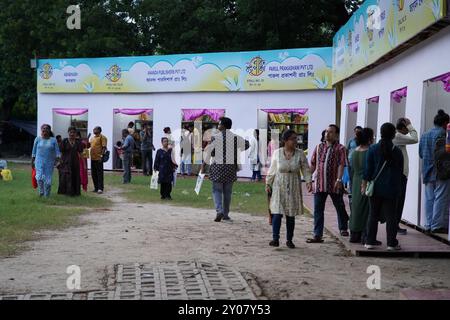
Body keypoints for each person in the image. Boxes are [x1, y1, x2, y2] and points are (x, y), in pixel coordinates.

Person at [266, 130, 312, 248]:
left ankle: (289, 240)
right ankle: (275, 238)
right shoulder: (277, 153)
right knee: (277, 213)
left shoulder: (300, 153)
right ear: (285, 140)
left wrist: (308, 181)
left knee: (290, 214)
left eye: (296, 139)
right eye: (293, 139)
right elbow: (272, 169)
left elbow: (306, 169)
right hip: (279, 186)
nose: (295, 141)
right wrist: (268, 183)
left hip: (293, 186)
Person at [363, 123, 404, 250]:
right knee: (391, 216)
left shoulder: (372, 149)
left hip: (375, 188)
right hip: (391, 189)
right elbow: (400, 172)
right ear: (393, 135)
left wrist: (364, 185)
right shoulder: (397, 151)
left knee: (373, 214)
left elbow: (368, 171)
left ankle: (369, 241)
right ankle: (391, 243)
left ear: (380, 133)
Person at [201, 117, 249, 222]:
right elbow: (247, 144)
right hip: (230, 168)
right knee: (227, 192)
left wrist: (203, 165)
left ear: (223, 125)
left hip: (217, 167)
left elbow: (209, 152)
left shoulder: (215, 138)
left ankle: (219, 210)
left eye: (219, 124)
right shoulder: (236, 137)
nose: (218, 125)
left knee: (216, 190)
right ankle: (226, 214)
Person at [308, 124, 349, 243]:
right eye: (326, 132)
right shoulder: (319, 147)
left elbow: (342, 164)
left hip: (334, 183)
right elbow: (313, 164)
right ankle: (317, 234)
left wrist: (339, 180)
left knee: (340, 206)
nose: (327, 134)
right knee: (318, 209)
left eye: (331, 132)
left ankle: (343, 228)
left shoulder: (341, 148)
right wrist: (309, 178)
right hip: (320, 183)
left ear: (336, 135)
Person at [419, 109, 450, 234]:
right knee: (440, 198)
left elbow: (421, 153)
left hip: (427, 171)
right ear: (445, 123)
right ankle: (436, 225)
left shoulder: (425, 134)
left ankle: (428, 224)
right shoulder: (444, 134)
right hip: (441, 171)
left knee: (429, 198)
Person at [393, 117, 418, 235]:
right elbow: (415, 139)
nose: (408, 131)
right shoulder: (397, 136)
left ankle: (395, 224)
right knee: (398, 201)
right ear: (402, 128)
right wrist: (410, 126)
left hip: (401, 174)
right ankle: (394, 225)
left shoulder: (398, 137)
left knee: (399, 201)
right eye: (406, 128)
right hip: (400, 175)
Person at [348, 127, 374, 243]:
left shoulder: (354, 151)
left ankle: (354, 234)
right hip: (366, 182)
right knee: (366, 209)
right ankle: (365, 235)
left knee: (356, 208)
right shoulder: (369, 151)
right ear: (369, 138)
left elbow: (352, 169)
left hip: (355, 181)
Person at [31, 124, 61, 197]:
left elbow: (57, 152)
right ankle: (41, 191)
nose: (44, 130)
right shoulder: (37, 139)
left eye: (46, 128)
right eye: (43, 128)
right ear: (41, 130)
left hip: (49, 162)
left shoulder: (53, 140)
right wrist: (32, 161)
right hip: (38, 161)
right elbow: (34, 151)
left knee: (47, 180)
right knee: (39, 177)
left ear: (49, 130)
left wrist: (58, 161)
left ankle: (47, 195)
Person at [58, 127, 84, 196]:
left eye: (73, 132)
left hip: (75, 163)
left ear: (76, 133)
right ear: (68, 133)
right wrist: (59, 162)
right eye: (70, 132)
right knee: (66, 177)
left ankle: (75, 192)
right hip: (65, 162)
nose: (72, 134)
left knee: (75, 176)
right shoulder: (64, 141)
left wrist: (84, 165)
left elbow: (81, 154)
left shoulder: (78, 142)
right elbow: (60, 153)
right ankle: (66, 192)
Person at [89, 126, 107, 194]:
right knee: (93, 174)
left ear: (99, 130)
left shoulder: (103, 137)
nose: (93, 130)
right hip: (92, 158)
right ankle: (96, 187)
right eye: (93, 129)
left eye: (95, 129)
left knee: (99, 173)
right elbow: (89, 146)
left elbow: (104, 147)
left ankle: (100, 188)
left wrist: (101, 156)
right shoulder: (92, 138)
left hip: (99, 158)